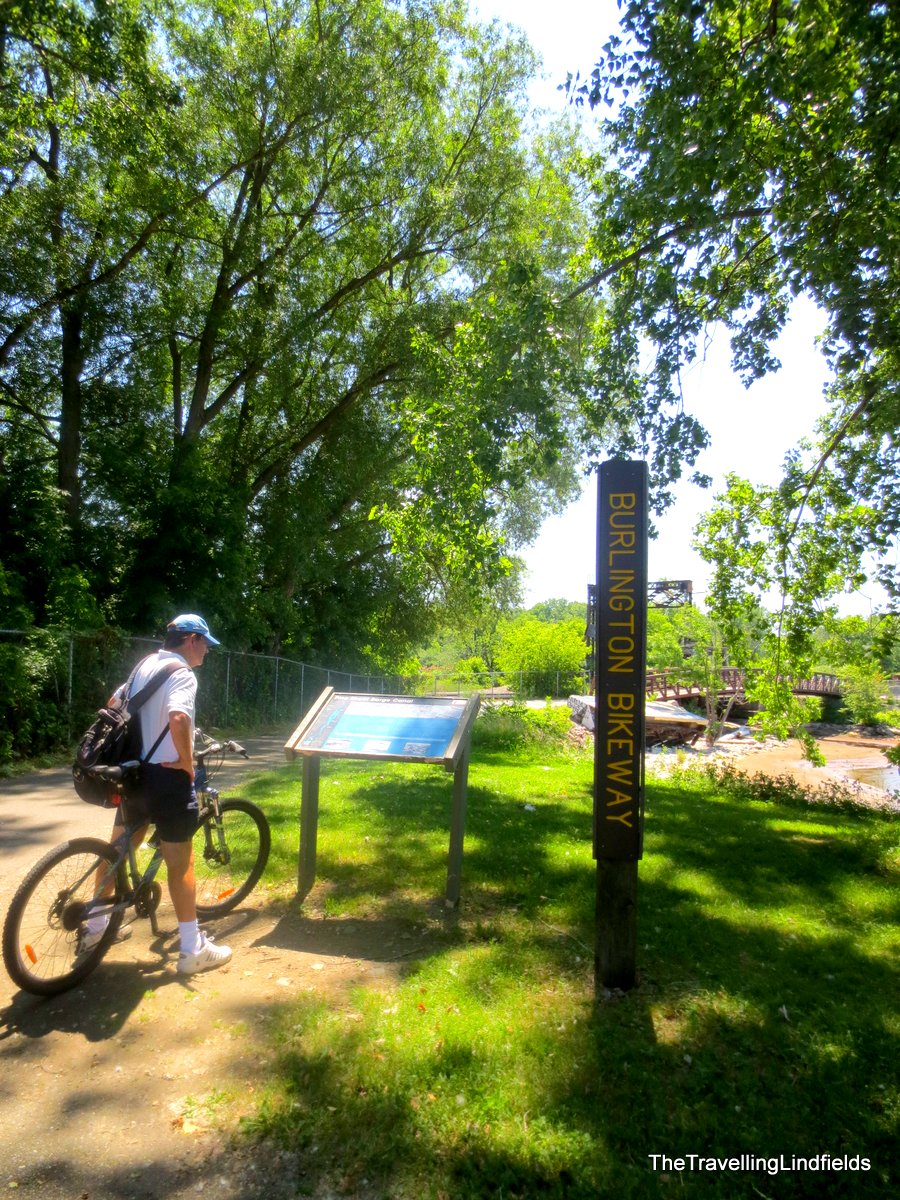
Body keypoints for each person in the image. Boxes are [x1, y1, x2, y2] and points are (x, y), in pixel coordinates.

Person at [80, 614, 233, 975]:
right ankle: (192, 949)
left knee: (120, 849)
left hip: (134, 773)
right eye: (205, 644)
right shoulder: (183, 673)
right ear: (191, 640)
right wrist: (186, 762)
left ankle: (96, 928)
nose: (207, 652)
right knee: (181, 864)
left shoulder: (144, 665)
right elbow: (179, 717)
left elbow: (113, 703)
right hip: (167, 778)